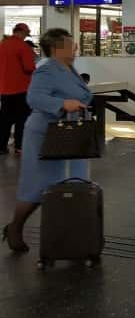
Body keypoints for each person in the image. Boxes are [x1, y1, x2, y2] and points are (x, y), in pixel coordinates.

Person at [3, 28, 92, 252]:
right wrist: (63, 104)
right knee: (38, 187)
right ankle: (15, 227)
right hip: (45, 134)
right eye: (71, 45)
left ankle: (71, 238)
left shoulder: (68, 68)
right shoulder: (46, 69)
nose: (75, 48)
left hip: (67, 134)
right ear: (56, 48)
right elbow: (34, 97)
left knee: (71, 185)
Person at [0, 23, 36, 155]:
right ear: (22, 32)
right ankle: (20, 147)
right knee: (22, 119)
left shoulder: (2, 45)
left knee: (5, 119)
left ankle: (2, 147)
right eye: (26, 34)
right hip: (21, 89)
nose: (26, 36)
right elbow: (29, 68)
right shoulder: (23, 47)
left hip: (4, 89)